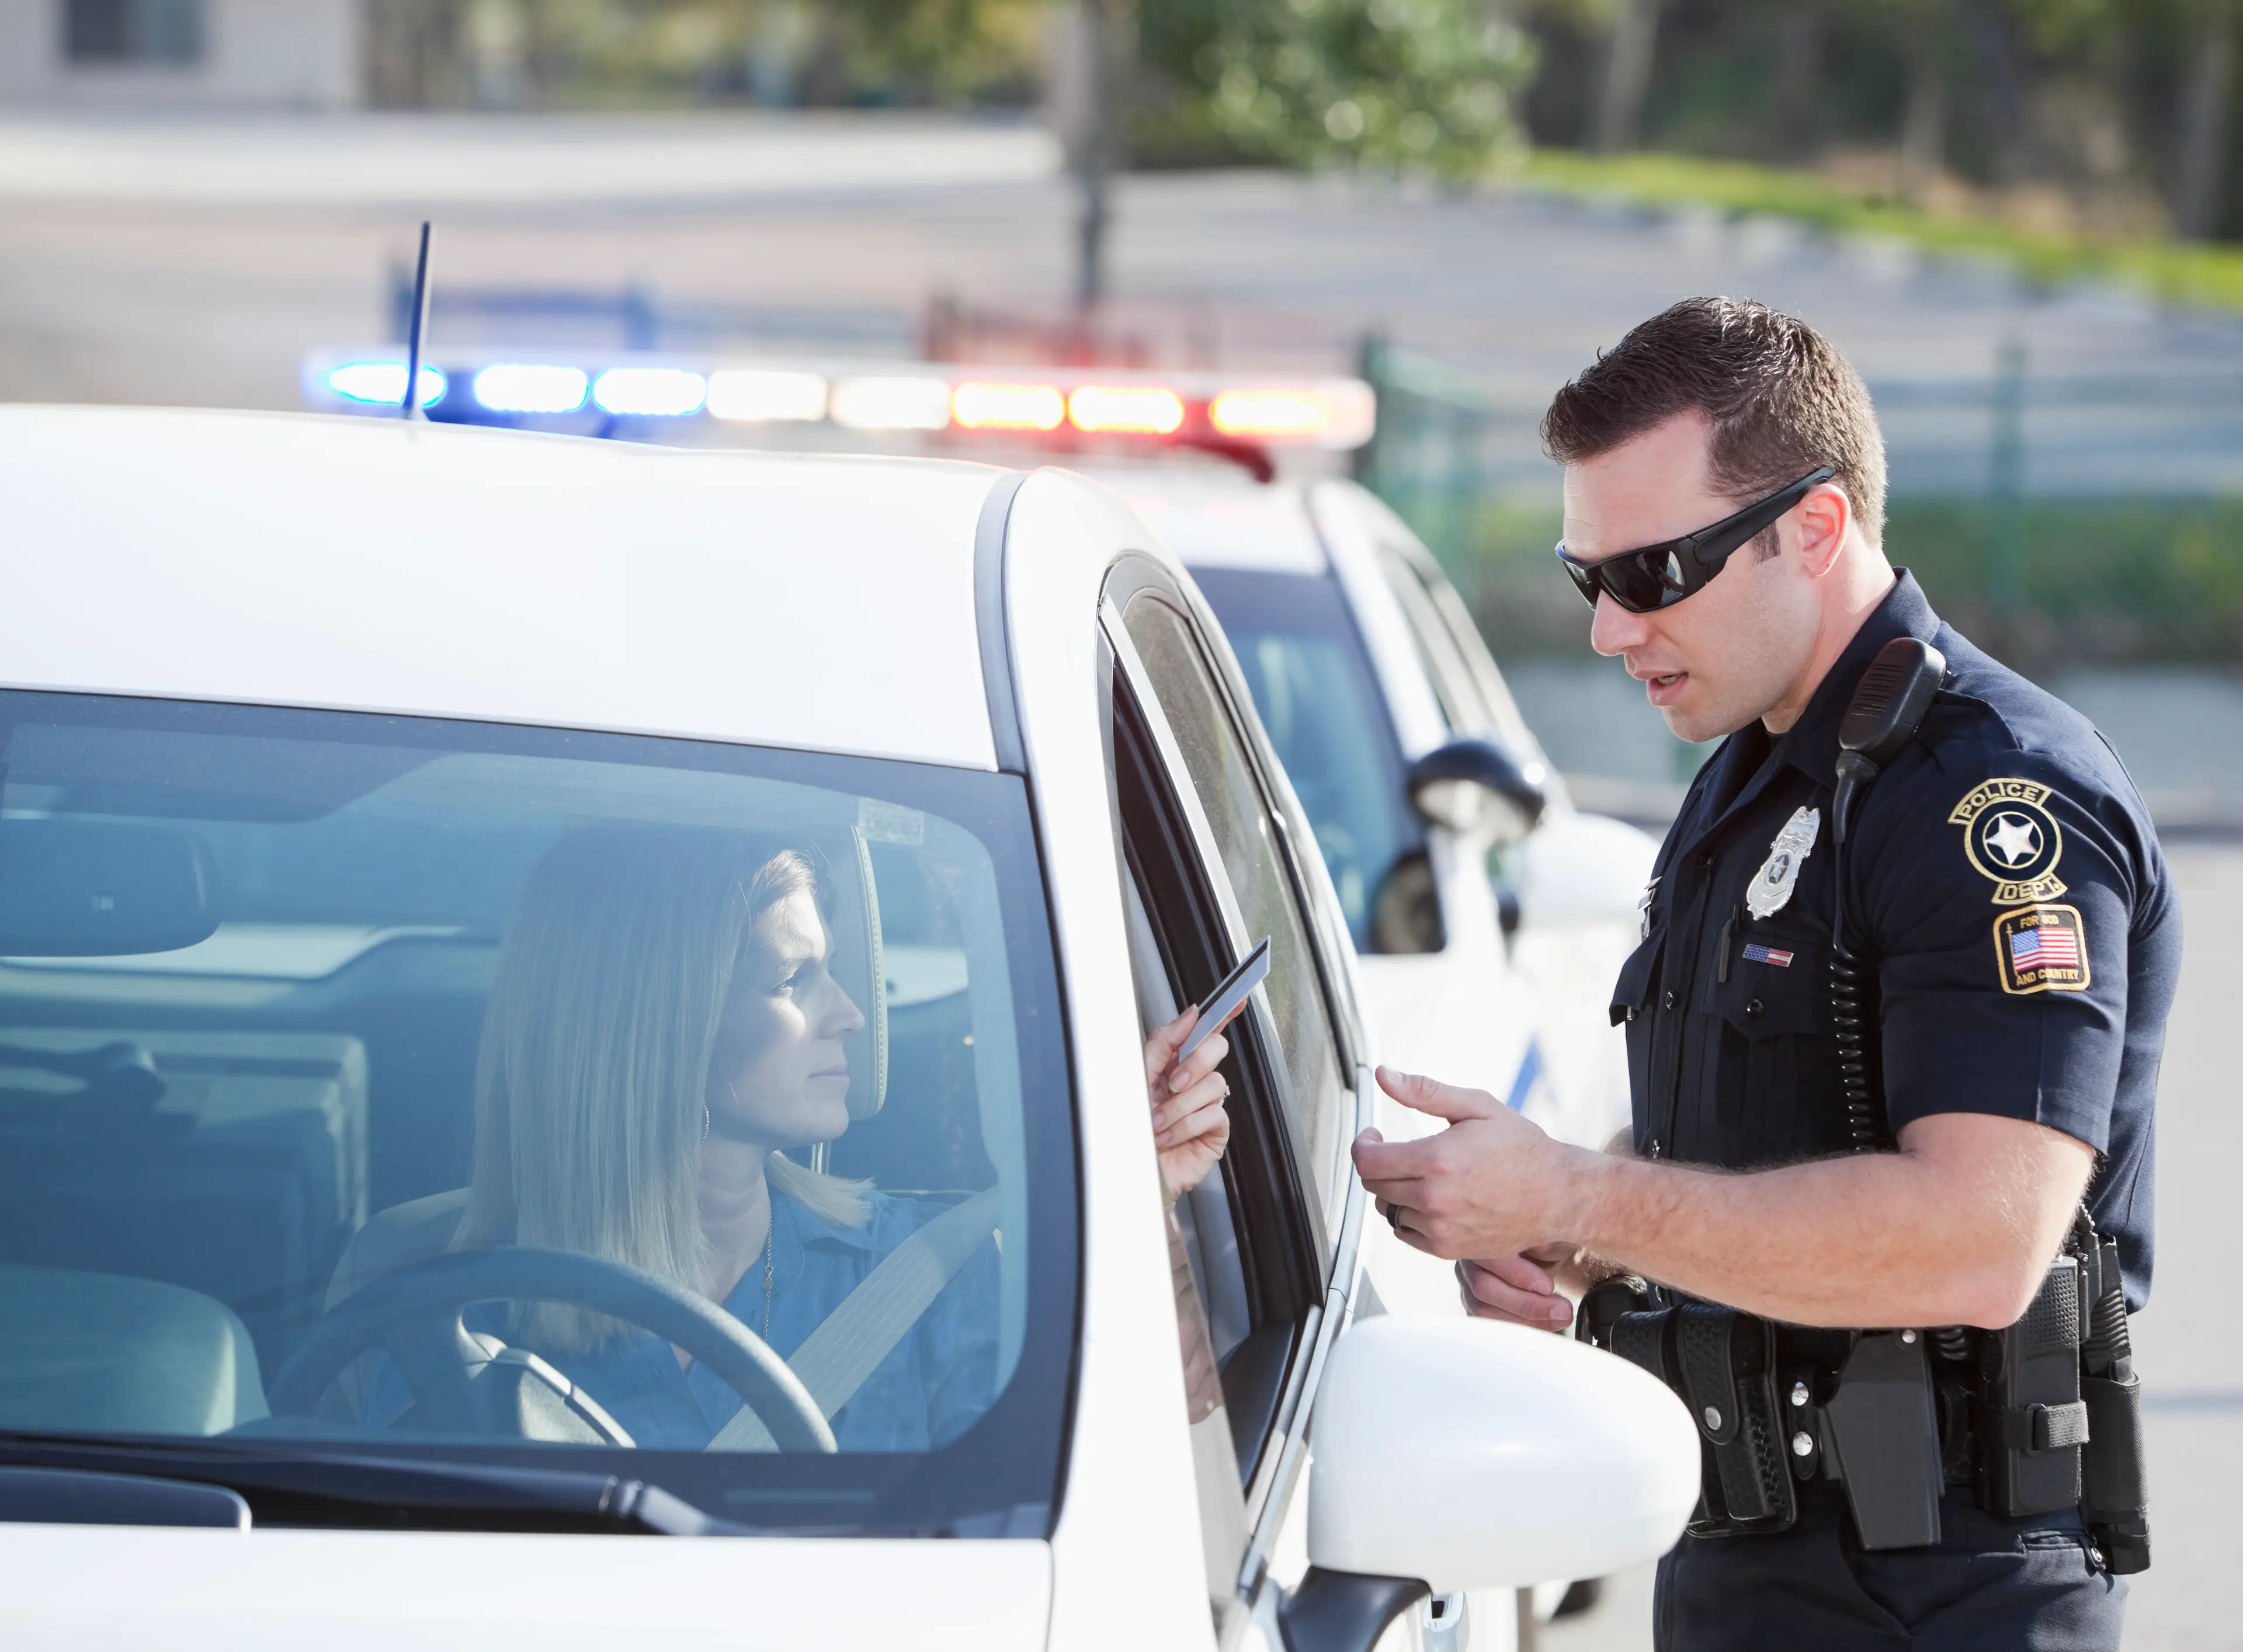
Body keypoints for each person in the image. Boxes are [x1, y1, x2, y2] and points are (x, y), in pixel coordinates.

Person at [1352, 298, 2177, 1650]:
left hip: (1935, 1592)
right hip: (1751, 1559)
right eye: (1588, 579)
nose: (1614, 629)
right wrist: (1570, 1238)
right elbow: (1744, 1133)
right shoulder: (1756, 763)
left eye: (1655, 570)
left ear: (1816, 526)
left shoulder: (1990, 794)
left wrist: (1583, 1194)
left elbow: (1982, 1238)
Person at [369, 823, 1233, 1449]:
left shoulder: (934, 1271)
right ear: (655, 1025)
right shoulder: (451, 1329)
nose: (850, 1015)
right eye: (795, 980)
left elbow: (1147, 1470)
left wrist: (1136, 1202)